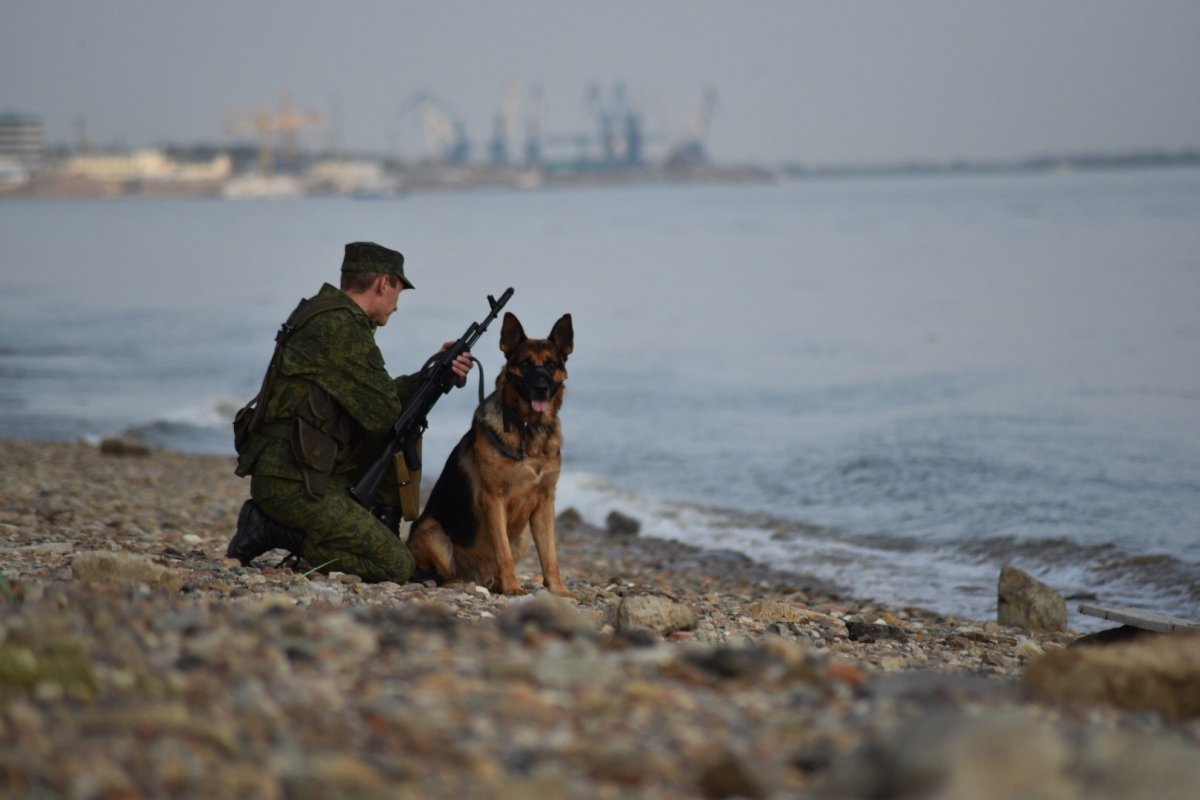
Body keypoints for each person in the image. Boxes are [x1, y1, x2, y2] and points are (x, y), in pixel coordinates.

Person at [225, 241, 473, 583]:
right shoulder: (343, 329)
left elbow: (373, 399)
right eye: (399, 289)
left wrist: (433, 374)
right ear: (384, 283)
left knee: (405, 427)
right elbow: (386, 416)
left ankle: (375, 529)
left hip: (293, 469)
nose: (398, 304)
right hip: (295, 484)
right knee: (395, 567)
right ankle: (273, 531)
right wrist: (430, 379)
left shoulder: (324, 313)